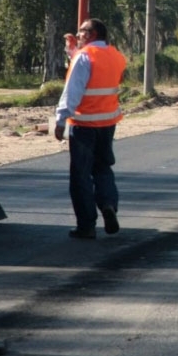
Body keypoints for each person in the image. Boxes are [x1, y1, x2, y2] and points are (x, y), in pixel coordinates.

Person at [54, 19, 127, 239]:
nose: (78, 34)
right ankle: (108, 204)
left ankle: (86, 226)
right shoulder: (115, 55)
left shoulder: (84, 57)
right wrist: (73, 52)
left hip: (83, 124)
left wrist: (60, 120)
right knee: (103, 167)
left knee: (81, 175)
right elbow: (95, 75)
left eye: (81, 31)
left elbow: (73, 89)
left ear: (92, 34)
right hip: (107, 122)